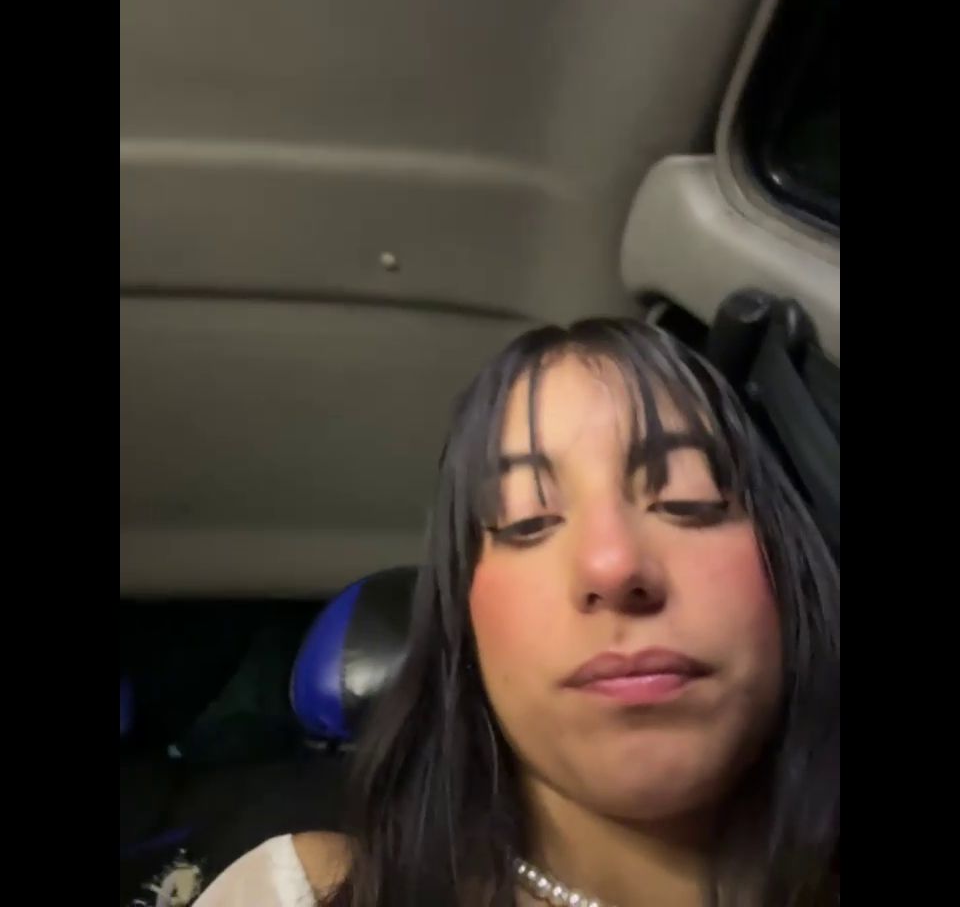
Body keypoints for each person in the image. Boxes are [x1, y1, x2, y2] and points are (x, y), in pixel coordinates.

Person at [195, 317, 840, 907]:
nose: (613, 565)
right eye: (527, 518)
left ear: (791, 571)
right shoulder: (303, 894)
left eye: (685, 498)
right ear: (463, 625)